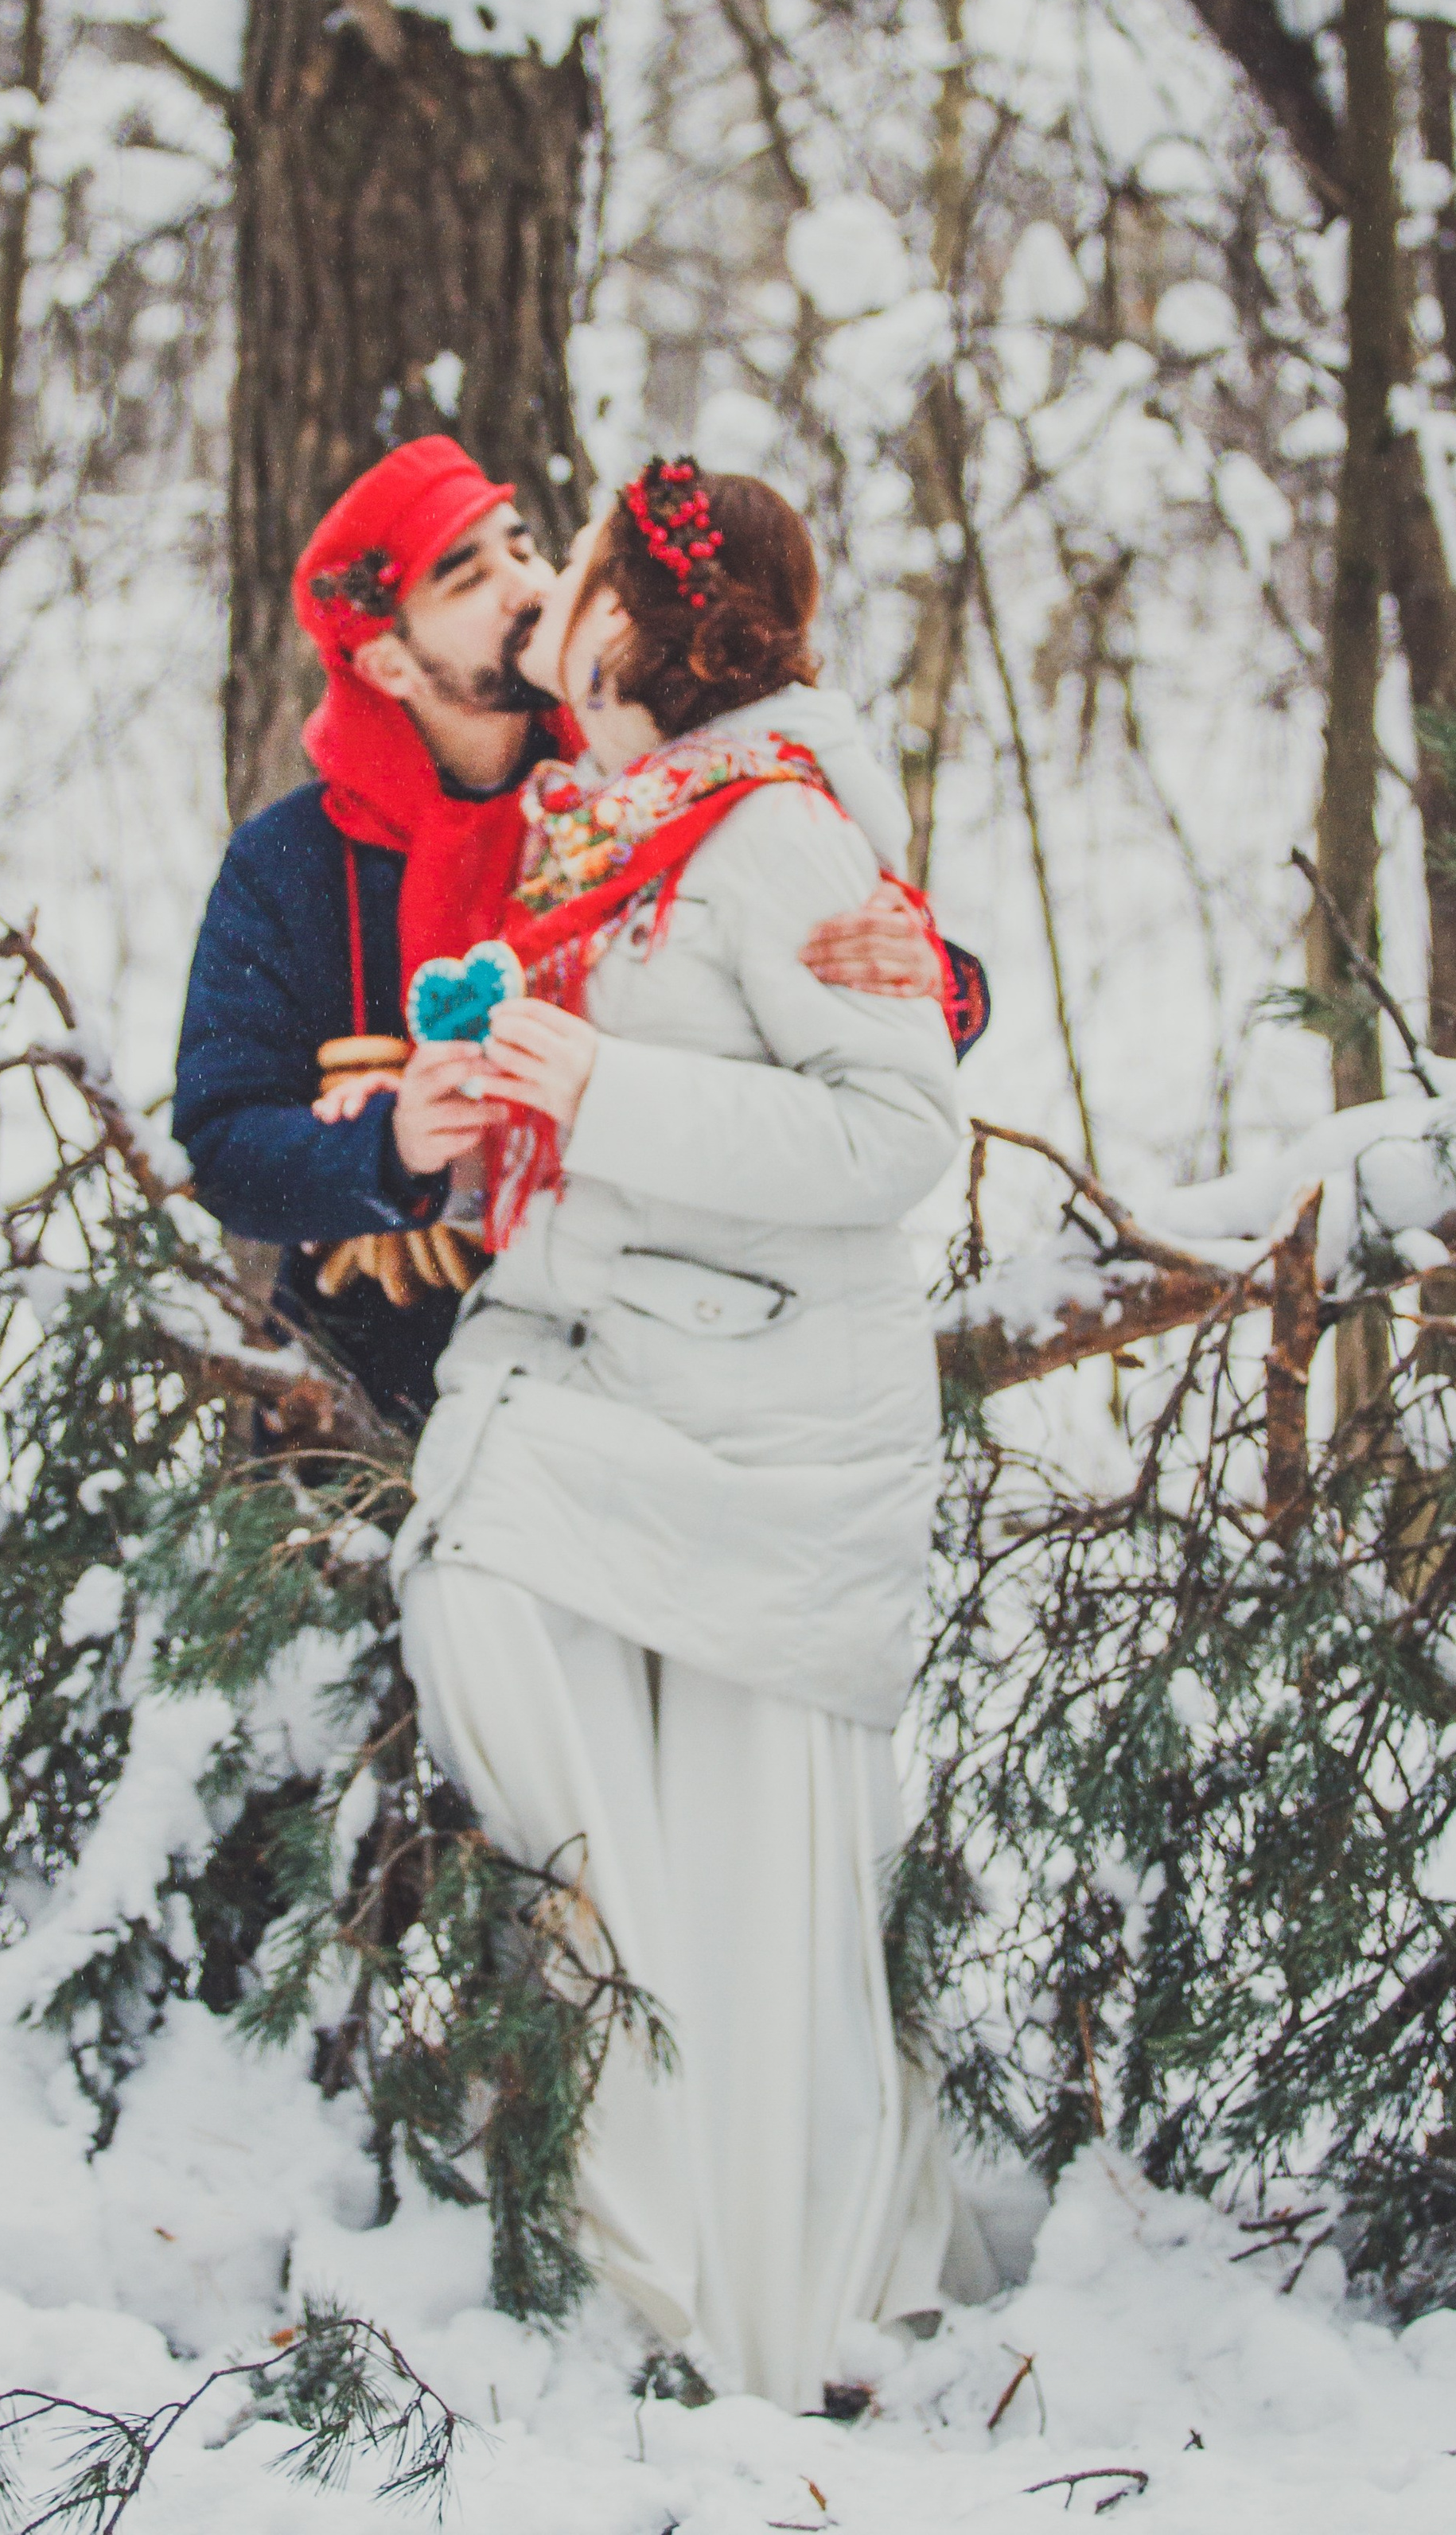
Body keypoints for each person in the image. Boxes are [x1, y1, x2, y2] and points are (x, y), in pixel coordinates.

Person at [391, 460, 992, 2411]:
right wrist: (511, 1124)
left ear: (644, 622)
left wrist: (606, 1088)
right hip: (625, 1398)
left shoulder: (776, 838)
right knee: (487, 1612)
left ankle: (767, 2316)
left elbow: (895, 1136)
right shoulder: (608, 830)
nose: (541, 596)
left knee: (757, 1884)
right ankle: (632, 2198)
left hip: (772, 1445)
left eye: (568, 570)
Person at [172, 436, 987, 1424]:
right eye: (466, 575)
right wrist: (393, 1149)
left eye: (522, 548)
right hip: (371, 1390)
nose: (523, 583)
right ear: (389, 658)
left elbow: (831, 1023)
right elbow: (223, 1149)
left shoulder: (634, 795)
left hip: (633, 1374)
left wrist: (925, 975)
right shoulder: (292, 859)